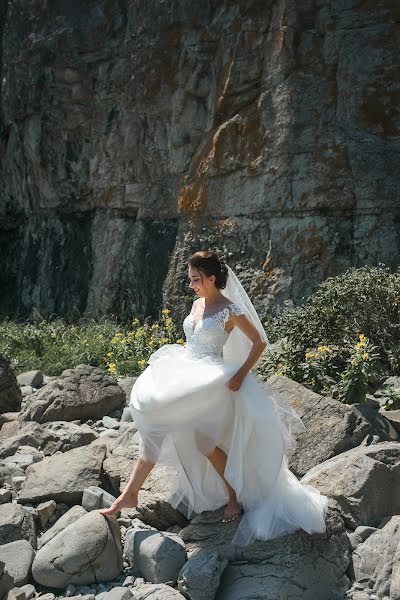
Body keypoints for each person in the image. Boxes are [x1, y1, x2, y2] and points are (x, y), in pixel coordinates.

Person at [100, 251, 328, 545]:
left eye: (196, 279)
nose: (192, 285)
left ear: (211, 278)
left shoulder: (229, 309)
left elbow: (259, 342)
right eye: (190, 280)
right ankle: (130, 493)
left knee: (205, 445)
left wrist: (240, 375)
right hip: (186, 372)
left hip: (212, 382)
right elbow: (192, 340)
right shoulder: (197, 303)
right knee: (155, 420)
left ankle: (233, 497)